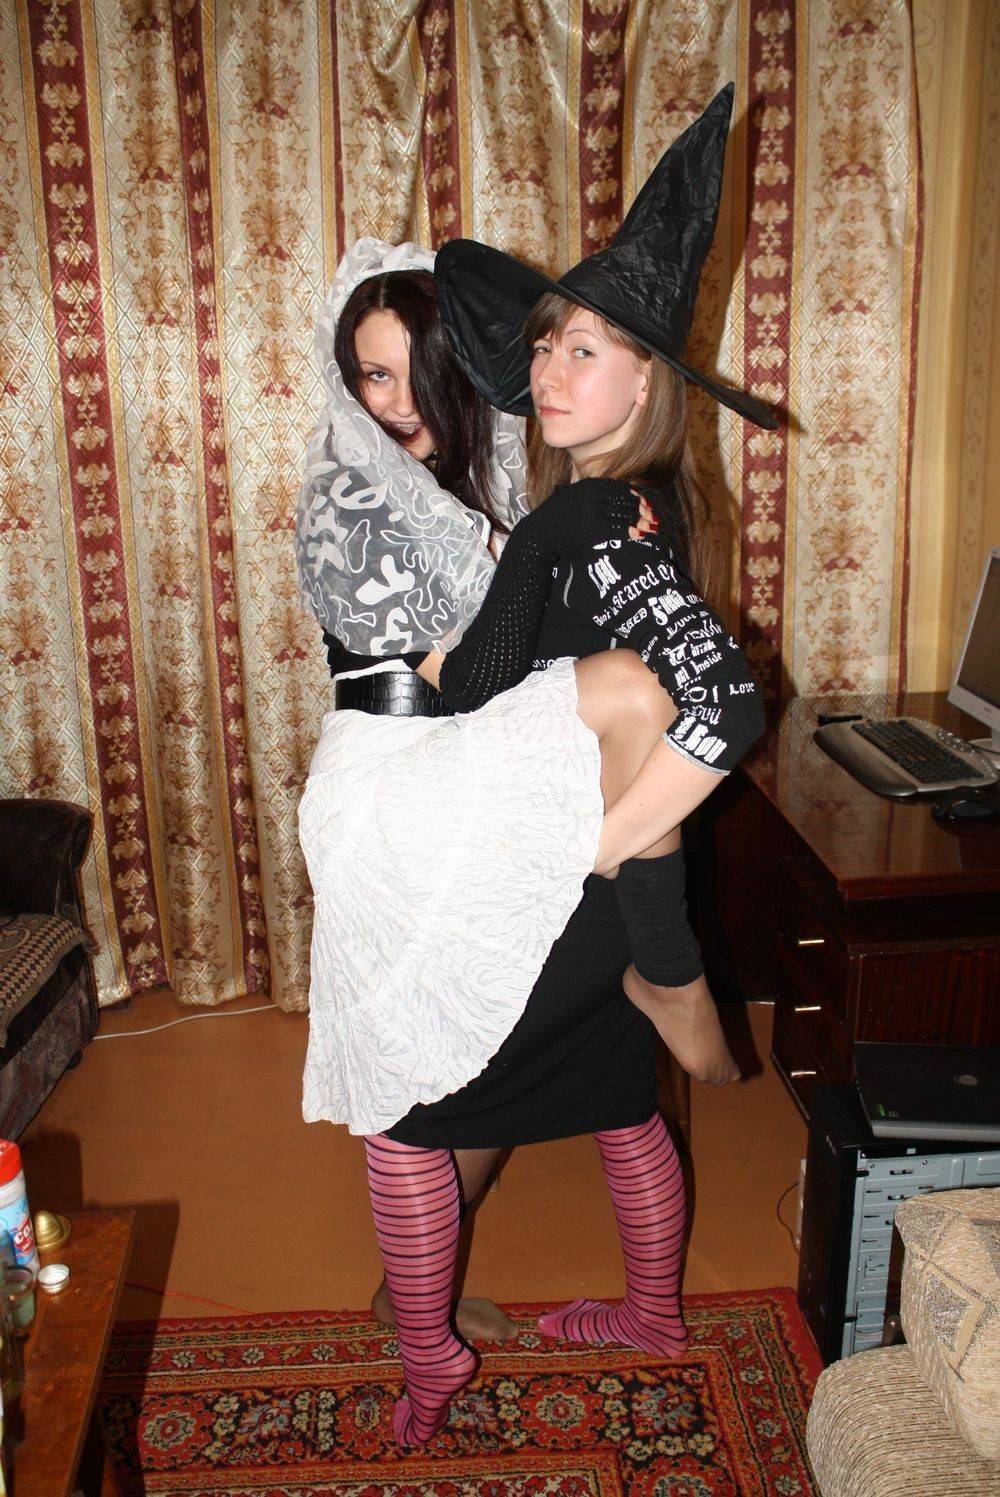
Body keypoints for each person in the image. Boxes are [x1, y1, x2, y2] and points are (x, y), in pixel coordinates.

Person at [300, 86, 774, 1448]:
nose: (394, 401)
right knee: (620, 1092)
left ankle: (432, 1362)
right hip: (490, 810)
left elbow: (699, 696)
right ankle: (654, 1310)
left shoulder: (591, 512)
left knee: (408, 1113)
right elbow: (488, 674)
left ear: (647, 380)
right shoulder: (567, 504)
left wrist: (598, 843)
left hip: (535, 830)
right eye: (550, 346)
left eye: (589, 349)